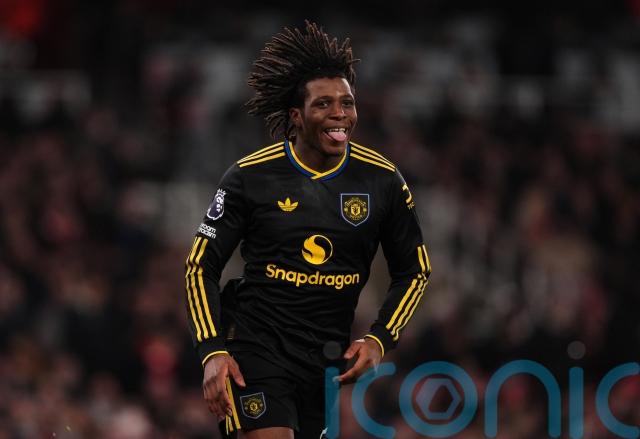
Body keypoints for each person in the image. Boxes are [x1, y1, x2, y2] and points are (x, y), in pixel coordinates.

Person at [184, 21, 431, 439]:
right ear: (296, 117)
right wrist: (212, 350)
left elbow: (415, 270)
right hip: (255, 351)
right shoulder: (250, 177)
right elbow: (199, 266)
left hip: (324, 363)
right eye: (324, 104)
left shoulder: (382, 180)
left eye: (347, 103)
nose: (339, 114)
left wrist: (379, 339)